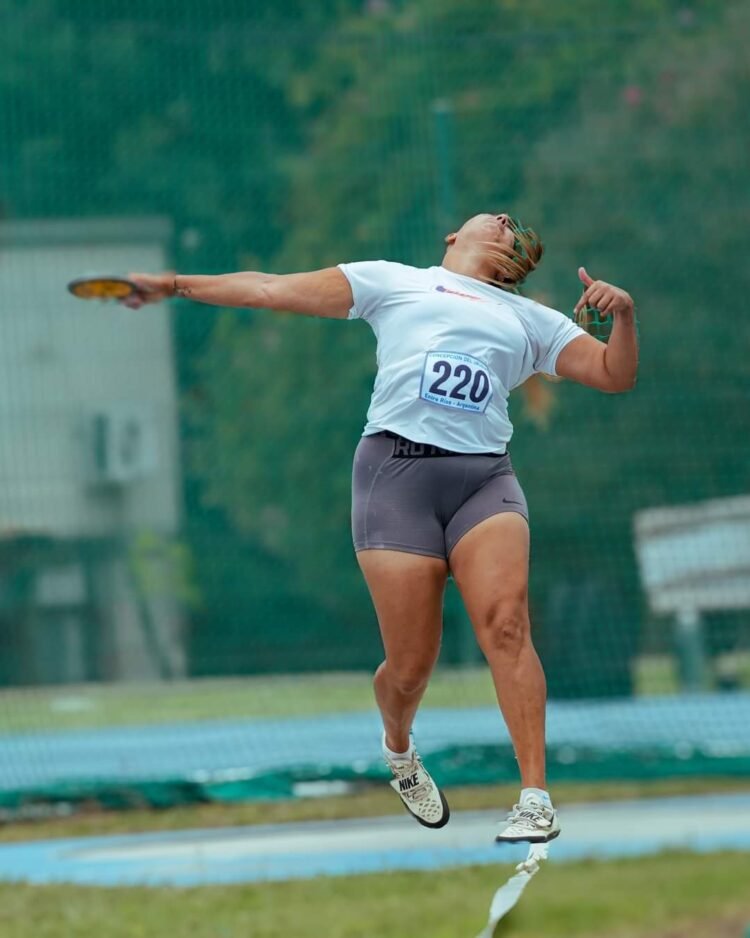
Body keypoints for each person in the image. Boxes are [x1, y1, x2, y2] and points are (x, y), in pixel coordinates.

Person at [125, 212, 638, 843]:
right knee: (411, 665)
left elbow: (614, 374)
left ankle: (535, 797)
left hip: (484, 480)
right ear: (452, 236)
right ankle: (398, 747)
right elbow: (267, 288)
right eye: (496, 216)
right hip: (396, 480)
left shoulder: (533, 320)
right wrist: (173, 284)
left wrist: (624, 316)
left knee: (507, 626)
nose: (506, 221)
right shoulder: (394, 281)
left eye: (515, 226)